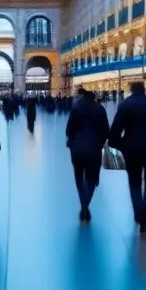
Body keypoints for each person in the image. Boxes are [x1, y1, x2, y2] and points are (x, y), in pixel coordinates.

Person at [109, 81, 146, 234]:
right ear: (144, 90)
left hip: (131, 147)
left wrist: (118, 144)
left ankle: (139, 212)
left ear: (131, 90)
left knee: (134, 181)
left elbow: (115, 130)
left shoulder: (125, 105)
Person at [65, 87, 109, 222]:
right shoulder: (100, 109)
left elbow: (68, 130)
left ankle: (83, 203)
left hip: (77, 149)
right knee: (91, 178)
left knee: (79, 178)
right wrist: (100, 142)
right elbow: (106, 130)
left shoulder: (76, 108)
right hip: (94, 148)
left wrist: (73, 140)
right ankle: (86, 204)